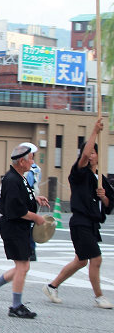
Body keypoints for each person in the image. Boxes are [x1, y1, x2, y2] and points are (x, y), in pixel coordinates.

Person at [43, 118, 114, 309]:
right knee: (96, 259)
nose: (90, 155)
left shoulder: (101, 179)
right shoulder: (79, 173)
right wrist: (94, 132)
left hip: (92, 224)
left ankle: (52, 286)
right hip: (80, 222)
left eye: (94, 152)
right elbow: (83, 156)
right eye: (88, 152)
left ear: (99, 155)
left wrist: (104, 197)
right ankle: (99, 297)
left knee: (81, 261)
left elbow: (109, 206)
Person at [0, 144, 49, 318]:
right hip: (13, 228)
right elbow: (15, 209)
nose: (33, 162)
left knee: (23, 267)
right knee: (23, 266)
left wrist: (35, 198)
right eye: (31, 159)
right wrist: (36, 217)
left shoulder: (20, 177)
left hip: (20, 227)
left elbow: (22, 197)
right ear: (22, 161)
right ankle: (15, 306)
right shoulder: (12, 179)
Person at [19, 142, 40, 261]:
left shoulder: (30, 170)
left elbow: (29, 184)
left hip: (28, 199)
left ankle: (31, 249)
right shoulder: (36, 168)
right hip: (32, 198)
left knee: (28, 224)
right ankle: (31, 249)